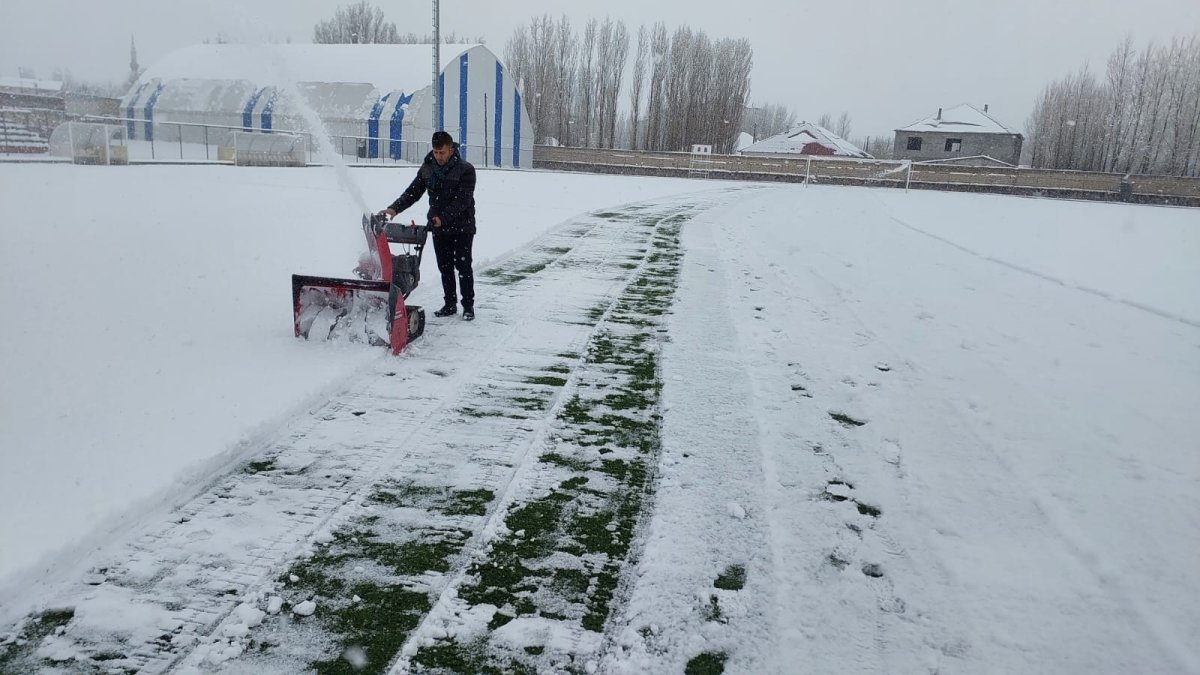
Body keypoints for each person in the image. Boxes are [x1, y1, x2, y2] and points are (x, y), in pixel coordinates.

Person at [380, 130, 477, 321]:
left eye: (442, 152)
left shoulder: (465, 169)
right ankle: (449, 304)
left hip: (462, 226)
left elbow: (462, 200)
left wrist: (444, 217)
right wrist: (393, 209)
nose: (438, 156)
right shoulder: (428, 168)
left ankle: (468, 306)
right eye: (435, 152)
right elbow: (413, 192)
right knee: (445, 266)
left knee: (463, 266)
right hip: (438, 226)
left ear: (451, 149)